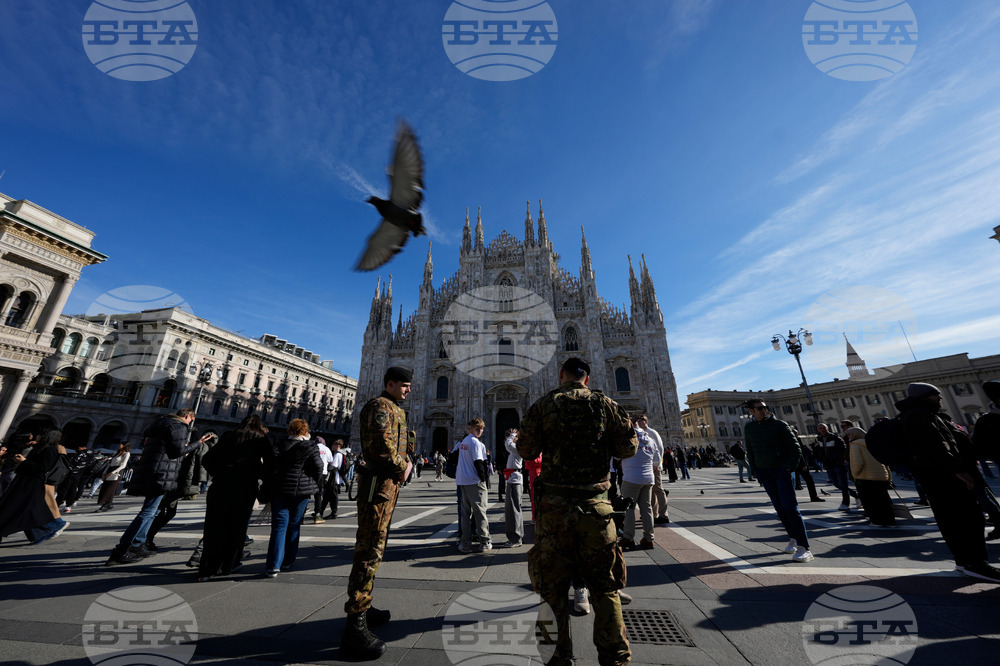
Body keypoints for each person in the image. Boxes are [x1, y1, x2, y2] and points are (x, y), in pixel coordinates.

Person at [517, 357, 637, 666]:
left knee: (550, 590)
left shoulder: (544, 404)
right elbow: (628, 448)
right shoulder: (605, 404)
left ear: (561, 375)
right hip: (596, 508)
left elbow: (526, 450)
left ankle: (556, 658)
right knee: (605, 587)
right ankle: (616, 657)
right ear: (587, 377)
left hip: (554, 509)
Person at [892, 382, 1000, 581]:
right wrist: (959, 470)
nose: (940, 399)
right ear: (923, 397)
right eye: (935, 395)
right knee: (964, 518)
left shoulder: (921, 415)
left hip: (940, 477)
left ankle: (966, 561)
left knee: (959, 518)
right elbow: (936, 446)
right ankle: (974, 563)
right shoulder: (919, 416)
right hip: (944, 478)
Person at [341, 367, 413, 660]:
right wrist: (402, 466)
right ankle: (354, 626)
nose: (408, 390)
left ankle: (365, 609)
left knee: (375, 549)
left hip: (386, 488)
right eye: (405, 385)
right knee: (368, 550)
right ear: (390, 384)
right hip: (377, 487)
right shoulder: (380, 407)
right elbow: (382, 445)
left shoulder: (394, 407)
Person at [106, 410, 202, 566]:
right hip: (162, 472)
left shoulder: (160, 425)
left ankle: (138, 544)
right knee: (148, 512)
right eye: (191, 419)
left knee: (153, 510)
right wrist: (196, 443)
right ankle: (121, 549)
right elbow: (177, 451)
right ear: (187, 417)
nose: (190, 423)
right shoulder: (179, 426)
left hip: (153, 470)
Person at [198, 415, 270, 580]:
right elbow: (270, 465)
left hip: (220, 486)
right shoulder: (260, 439)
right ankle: (228, 566)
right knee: (237, 528)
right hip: (245, 488)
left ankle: (206, 570)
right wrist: (257, 475)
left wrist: (219, 473)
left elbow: (207, 459)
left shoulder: (228, 436)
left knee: (213, 529)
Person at [744, 399, 813, 562]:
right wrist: (755, 470)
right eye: (760, 408)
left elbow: (796, 448)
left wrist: (789, 468)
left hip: (781, 471)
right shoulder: (749, 427)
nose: (764, 410)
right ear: (752, 411)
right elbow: (750, 449)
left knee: (790, 507)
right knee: (779, 508)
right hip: (764, 472)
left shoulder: (780, 425)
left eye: (765, 407)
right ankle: (793, 538)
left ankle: (804, 547)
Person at [262, 418, 323, 577]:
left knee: (278, 527)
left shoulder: (280, 445)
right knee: (294, 524)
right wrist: (312, 482)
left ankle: (273, 566)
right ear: (305, 431)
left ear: (290, 430)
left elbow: (269, 467)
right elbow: (319, 467)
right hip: (301, 492)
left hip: (279, 490)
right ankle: (288, 561)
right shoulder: (310, 446)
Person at [0, 429, 70, 544]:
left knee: (15, 507)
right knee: (23, 509)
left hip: (32, 483)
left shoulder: (50, 450)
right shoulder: (40, 448)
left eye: (40, 434)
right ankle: (41, 532)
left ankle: (54, 525)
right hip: (24, 481)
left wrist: (23, 462)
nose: (37, 436)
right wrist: (21, 462)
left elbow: (43, 468)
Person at [845, 425, 894, 527]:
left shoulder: (854, 445)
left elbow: (858, 463)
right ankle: (890, 520)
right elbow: (884, 460)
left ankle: (876, 521)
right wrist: (888, 476)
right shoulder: (874, 443)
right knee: (884, 500)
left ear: (854, 435)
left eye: (849, 435)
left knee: (872, 501)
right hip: (881, 475)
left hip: (866, 477)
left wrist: (855, 474)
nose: (848, 437)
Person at [619, 420, 657, 550]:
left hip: (631, 478)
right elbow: (656, 461)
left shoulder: (629, 440)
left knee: (629, 509)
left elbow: (618, 457)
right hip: (648, 479)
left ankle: (628, 538)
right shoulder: (651, 441)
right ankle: (649, 538)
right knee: (647, 509)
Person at [457, 418, 491, 553]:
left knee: (465, 513)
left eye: (481, 429)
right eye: (477, 428)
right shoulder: (476, 443)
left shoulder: (463, 442)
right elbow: (479, 463)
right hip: (473, 481)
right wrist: (483, 479)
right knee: (480, 512)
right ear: (470, 428)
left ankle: (465, 543)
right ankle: (484, 541)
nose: (480, 431)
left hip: (463, 481)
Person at [815, 423, 858, 510]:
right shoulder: (818, 439)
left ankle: (845, 503)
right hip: (828, 464)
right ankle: (856, 495)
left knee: (843, 483)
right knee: (836, 483)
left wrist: (840, 459)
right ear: (818, 430)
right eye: (820, 428)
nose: (822, 429)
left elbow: (843, 449)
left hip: (838, 463)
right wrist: (821, 459)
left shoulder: (835, 438)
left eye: (823, 428)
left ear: (827, 428)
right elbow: (820, 451)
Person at [635, 415, 669, 525]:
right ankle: (653, 514)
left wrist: (657, 465)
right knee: (651, 491)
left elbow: (659, 449)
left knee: (658, 490)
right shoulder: (642, 433)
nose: (638, 423)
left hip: (654, 467)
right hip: (648, 467)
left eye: (640, 421)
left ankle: (663, 515)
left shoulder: (651, 433)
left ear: (645, 422)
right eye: (637, 422)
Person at [501, 428, 523, 548]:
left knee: (512, 510)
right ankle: (518, 537)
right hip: (513, 478)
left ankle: (515, 539)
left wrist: (513, 434)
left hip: (515, 480)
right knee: (515, 509)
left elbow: (508, 444)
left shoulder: (516, 448)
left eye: (510, 436)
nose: (508, 438)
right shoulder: (514, 450)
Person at [97, 443, 130, 512]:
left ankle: (106, 504)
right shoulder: (116, 453)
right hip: (110, 470)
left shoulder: (126, 454)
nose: (118, 446)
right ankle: (109, 503)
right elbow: (109, 464)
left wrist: (113, 472)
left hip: (116, 471)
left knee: (110, 488)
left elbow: (123, 465)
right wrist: (104, 473)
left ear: (124, 446)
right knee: (105, 487)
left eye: (120, 445)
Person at [320, 439, 346, 520]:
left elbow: (333, 466)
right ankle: (321, 512)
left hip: (334, 479)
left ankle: (333, 513)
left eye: (333, 445)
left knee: (332, 497)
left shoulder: (337, 454)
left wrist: (326, 468)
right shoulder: (340, 454)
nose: (331, 446)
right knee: (327, 496)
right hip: (336, 479)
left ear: (337, 446)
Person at [312, 436, 334, 524]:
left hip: (311, 472)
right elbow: (330, 461)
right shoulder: (327, 449)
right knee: (318, 494)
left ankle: (301, 517)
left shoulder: (313, 447)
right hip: (322, 473)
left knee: (306, 493)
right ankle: (317, 514)